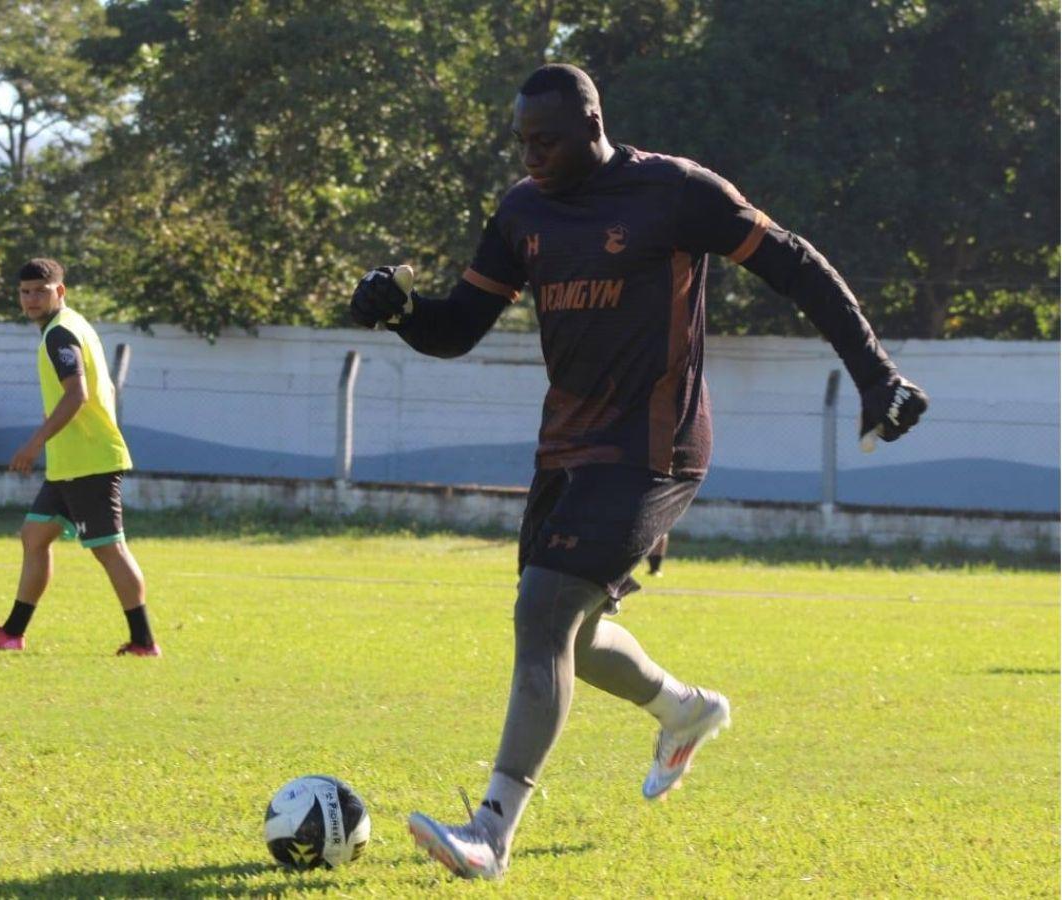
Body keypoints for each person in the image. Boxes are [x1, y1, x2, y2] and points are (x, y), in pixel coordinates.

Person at [350, 64, 926, 880]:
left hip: (657, 447)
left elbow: (796, 263)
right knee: (571, 636)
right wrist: (400, 312)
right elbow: (458, 328)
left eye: (546, 140)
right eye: (523, 142)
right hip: (566, 449)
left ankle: (490, 831)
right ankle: (685, 711)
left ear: (592, 123)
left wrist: (876, 376)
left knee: (543, 607)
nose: (532, 155)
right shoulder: (522, 211)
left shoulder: (675, 192)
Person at [0, 258, 160, 657]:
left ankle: (144, 642)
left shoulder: (60, 334)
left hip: (89, 461)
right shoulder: (68, 325)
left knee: (109, 549)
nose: (32, 299)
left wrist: (34, 442)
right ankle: (12, 634)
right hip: (69, 463)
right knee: (34, 536)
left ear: (60, 290)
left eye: (40, 290)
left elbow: (77, 394)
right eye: (25, 292)